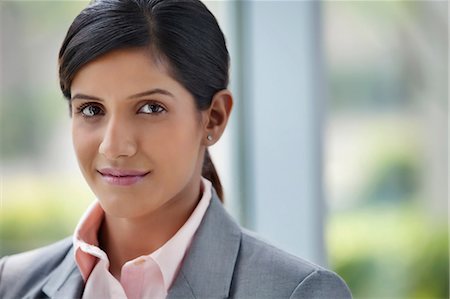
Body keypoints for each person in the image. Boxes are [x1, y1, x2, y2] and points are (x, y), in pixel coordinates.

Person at [0, 0, 351, 298]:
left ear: (213, 118)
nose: (114, 146)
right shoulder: (11, 283)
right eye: (91, 109)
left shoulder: (297, 291)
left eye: (151, 108)